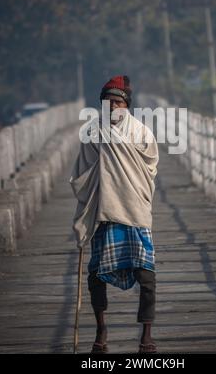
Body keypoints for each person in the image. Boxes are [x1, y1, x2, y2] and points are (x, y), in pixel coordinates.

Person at [69, 75, 159, 354]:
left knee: (146, 274)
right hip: (104, 211)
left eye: (117, 102)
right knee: (96, 273)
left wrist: (132, 186)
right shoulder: (93, 132)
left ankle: (146, 334)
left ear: (127, 105)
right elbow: (82, 173)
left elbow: (150, 168)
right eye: (107, 102)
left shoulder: (142, 132)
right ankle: (101, 329)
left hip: (134, 210)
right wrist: (98, 181)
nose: (112, 107)